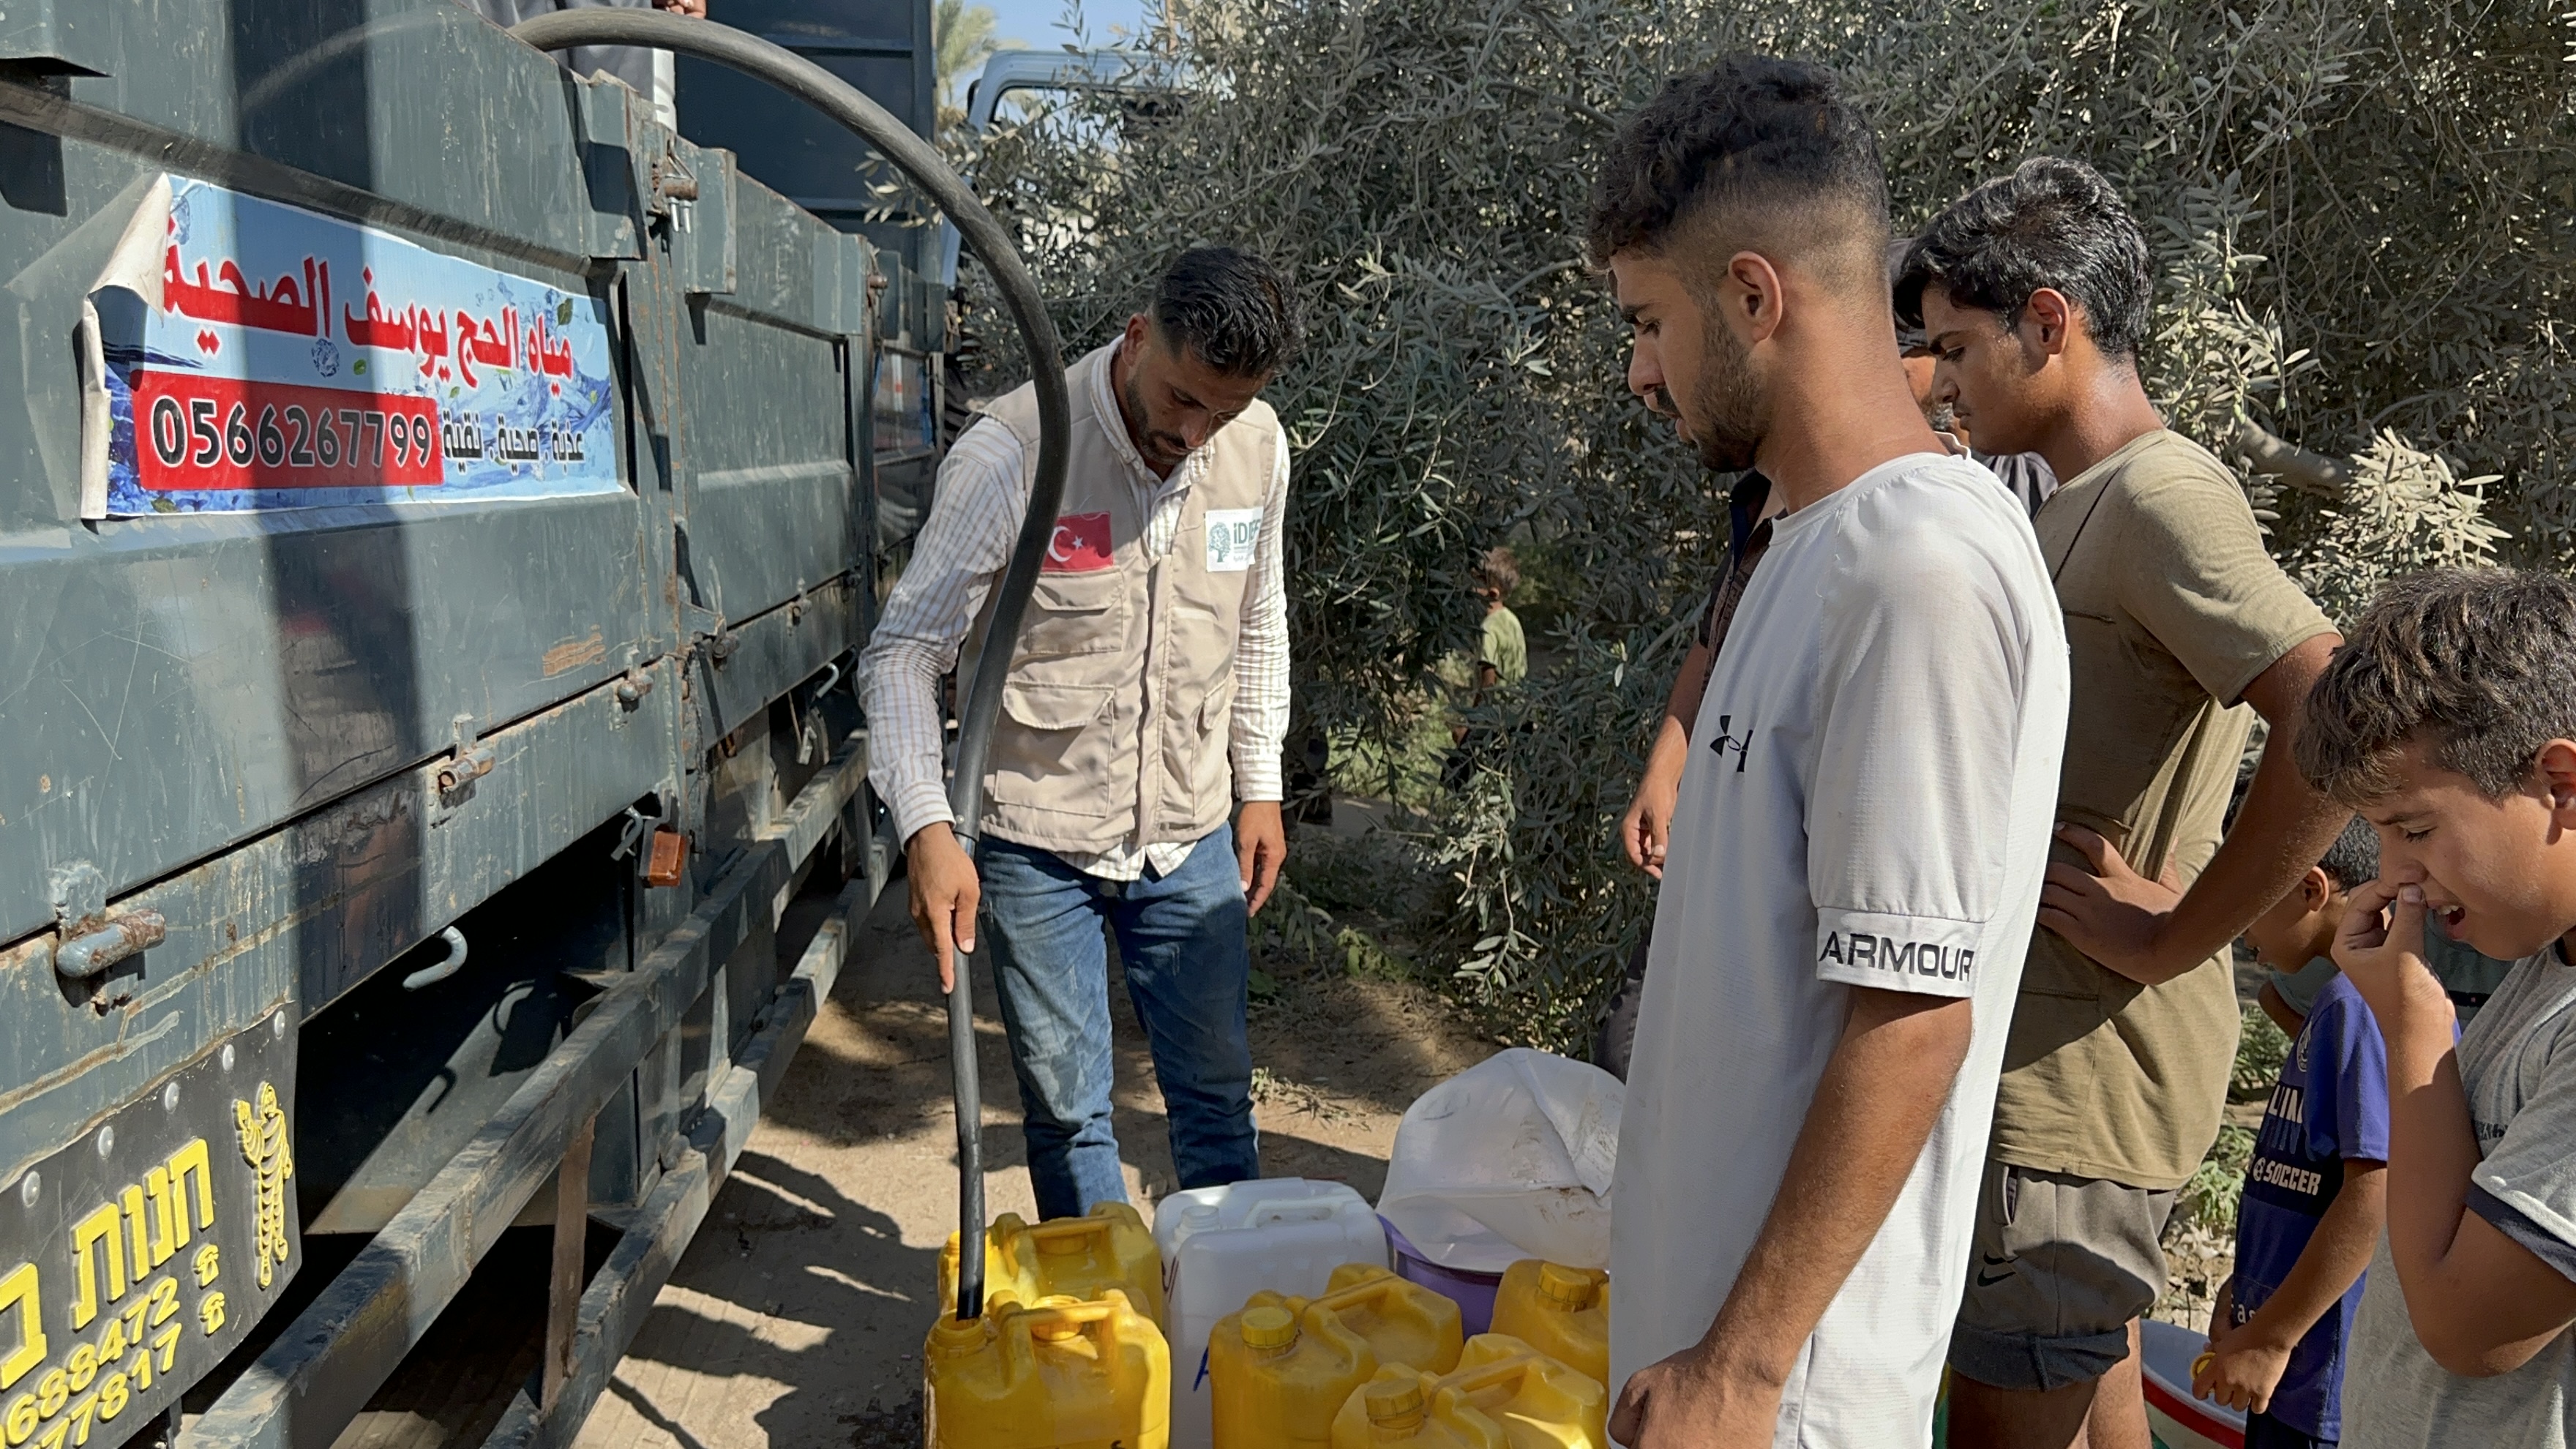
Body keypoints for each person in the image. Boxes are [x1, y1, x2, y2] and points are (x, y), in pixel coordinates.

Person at [1590, 58, 2070, 1447]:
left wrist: (1739, 1371)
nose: (1639, 371)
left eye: (1649, 322)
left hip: (1785, 1401)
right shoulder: (1810, 543)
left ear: (1754, 296)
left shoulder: (1914, 568)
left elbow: (1914, 1017)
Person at [1897, 156, 2349, 1449]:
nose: (1941, 379)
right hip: (2049, 1079)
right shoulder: (2071, 505)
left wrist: (2178, 933)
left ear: (2052, 321)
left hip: (2081, 1098)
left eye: (1958, 346)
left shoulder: (2160, 496)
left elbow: (2330, 708)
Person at [858, 247, 1300, 1221]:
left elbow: (1258, 618)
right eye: (1182, 397)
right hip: (1032, 844)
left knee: (1219, 1102)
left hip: (1188, 837)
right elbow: (903, 657)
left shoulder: (1258, 447)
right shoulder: (1015, 454)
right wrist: (930, 831)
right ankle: (1110, 1336)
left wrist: (1257, 782)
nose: (1195, 432)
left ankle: (1228, 1325)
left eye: (1221, 412)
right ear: (1138, 338)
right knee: (1067, 1112)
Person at [2292, 568, 2576, 1448]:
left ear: (2560, 783)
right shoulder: (2544, 970)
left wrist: (2413, 1028)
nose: (2391, 875)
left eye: (2414, 830)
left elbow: (2466, 1330)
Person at [2194, 815, 2392, 1449]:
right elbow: (2305, 1181)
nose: (2241, 925)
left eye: (2252, 896)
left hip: (2316, 1378)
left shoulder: (2359, 1005)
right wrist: (2250, 1293)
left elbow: (2374, 1190)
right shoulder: (2336, 1002)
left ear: (2311, 890)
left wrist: (2275, 1337)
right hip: (2285, 1365)